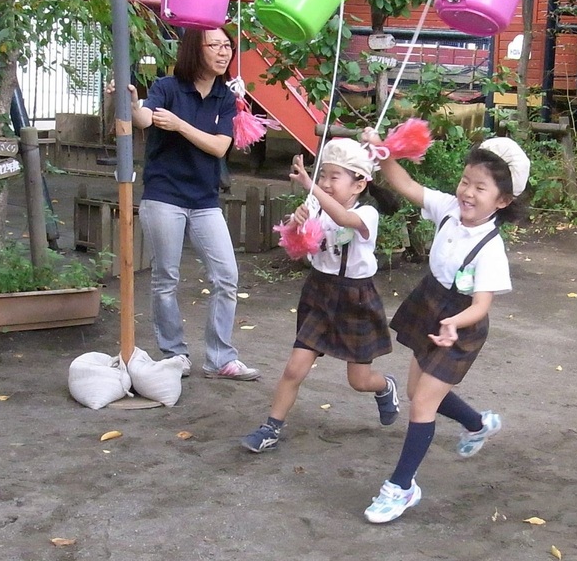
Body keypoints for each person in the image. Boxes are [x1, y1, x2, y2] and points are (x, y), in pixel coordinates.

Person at [358, 130, 530, 524]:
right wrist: (382, 151)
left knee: (422, 403)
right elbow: (405, 184)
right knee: (417, 391)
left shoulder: (491, 248)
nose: (467, 192)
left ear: (502, 201)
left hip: (461, 325)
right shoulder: (449, 208)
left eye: (480, 188)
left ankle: (401, 487)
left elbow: (481, 305)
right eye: (466, 181)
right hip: (431, 304)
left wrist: (454, 322)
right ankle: (477, 424)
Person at [241, 138, 400, 453]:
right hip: (320, 292)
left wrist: (310, 186)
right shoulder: (316, 206)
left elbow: (344, 219)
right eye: (322, 175)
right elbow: (295, 246)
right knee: (294, 367)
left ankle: (385, 387)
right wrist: (295, 224)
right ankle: (271, 427)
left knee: (359, 380)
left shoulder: (367, 213)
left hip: (356, 297)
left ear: (359, 184)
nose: (325, 183)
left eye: (333, 177)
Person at [120, 26, 259, 381]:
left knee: (227, 276)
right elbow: (145, 118)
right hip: (164, 196)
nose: (224, 52)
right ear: (195, 49)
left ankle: (220, 358)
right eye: (215, 45)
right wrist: (133, 104)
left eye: (227, 45)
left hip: (205, 199)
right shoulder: (168, 87)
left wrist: (179, 124)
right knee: (166, 278)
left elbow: (220, 147)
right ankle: (175, 354)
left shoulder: (225, 96)